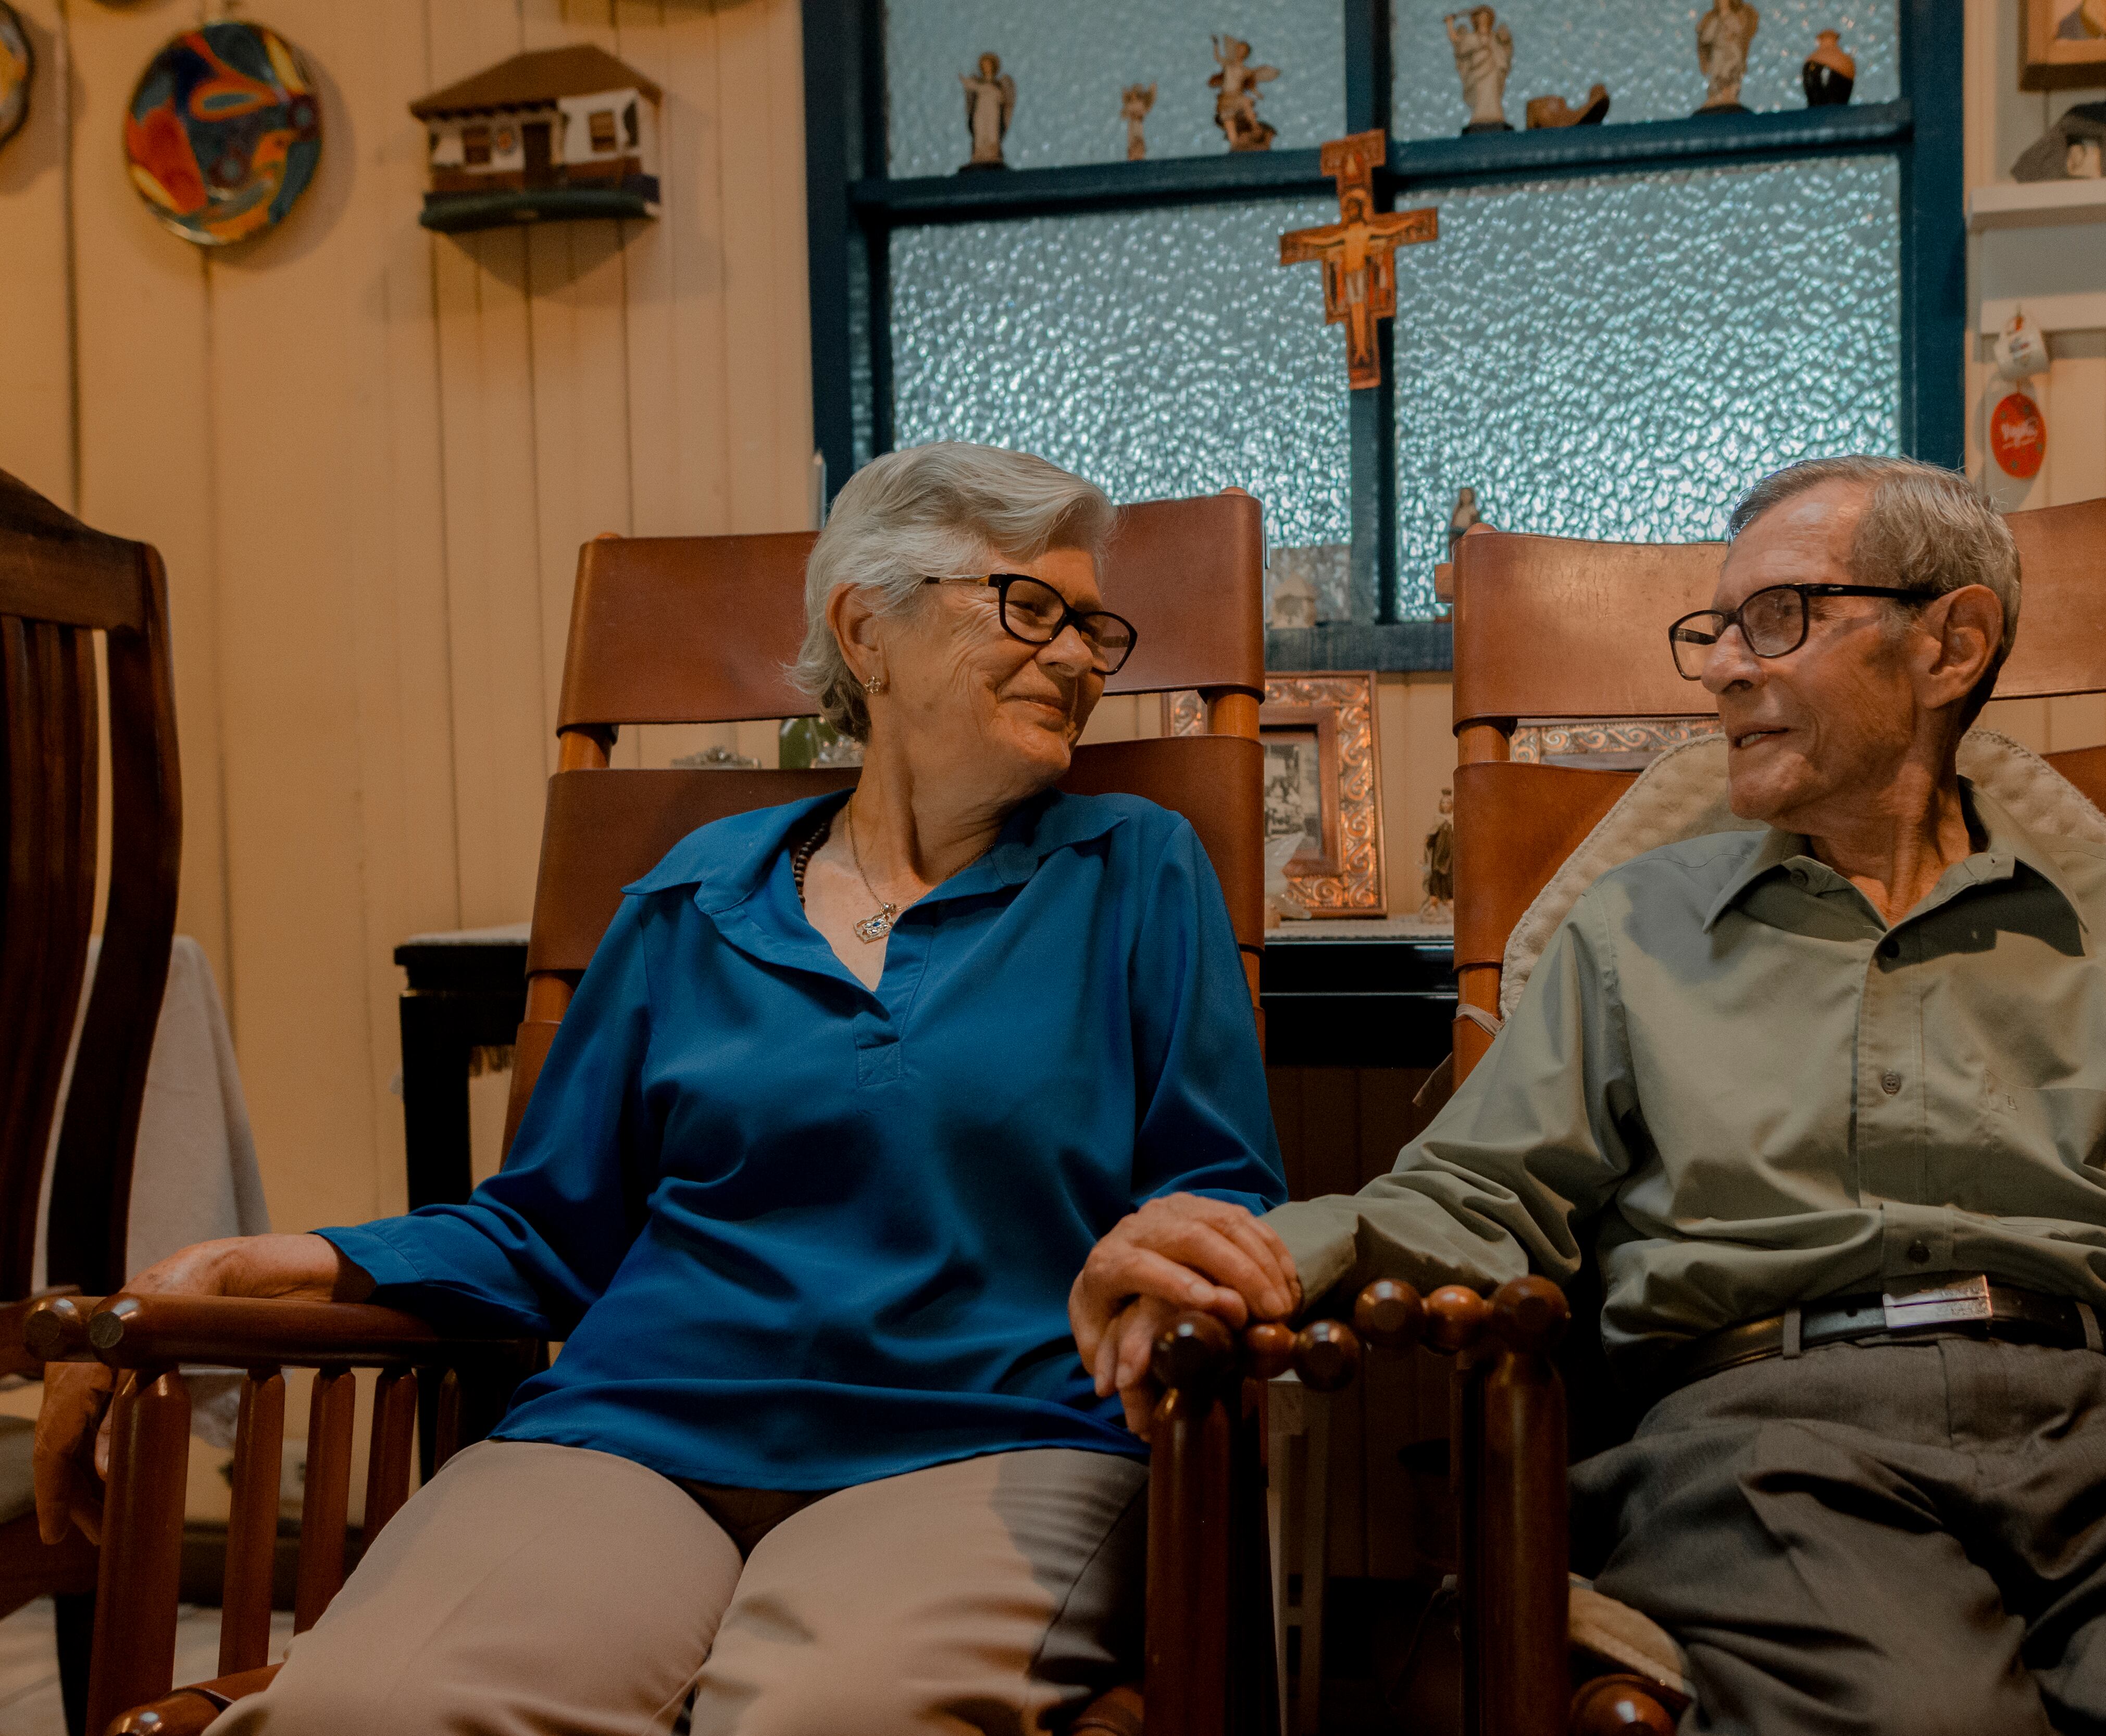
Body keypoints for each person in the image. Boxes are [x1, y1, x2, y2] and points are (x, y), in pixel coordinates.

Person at [1074, 455, 2106, 1736]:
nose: (1723, 667)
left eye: (1781, 617)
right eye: (1715, 628)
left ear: (1950, 644)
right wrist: (1275, 1247)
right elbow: (1482, 1194)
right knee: (1917, 1717)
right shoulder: (1634, 928)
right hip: (1767, 1435)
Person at [40, 443, 1297, 1736]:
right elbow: (545, 1225)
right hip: (634, 1435)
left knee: (826, 1720)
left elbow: (1219, 1189)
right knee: (361, 1708)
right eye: (1029, 607)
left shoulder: (1134, 870)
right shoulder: (699, 891)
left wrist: (1178, 1256)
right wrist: (256, 1266)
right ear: (867, 628)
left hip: (985, 1435)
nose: (1079, 656)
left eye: (1094, 626)